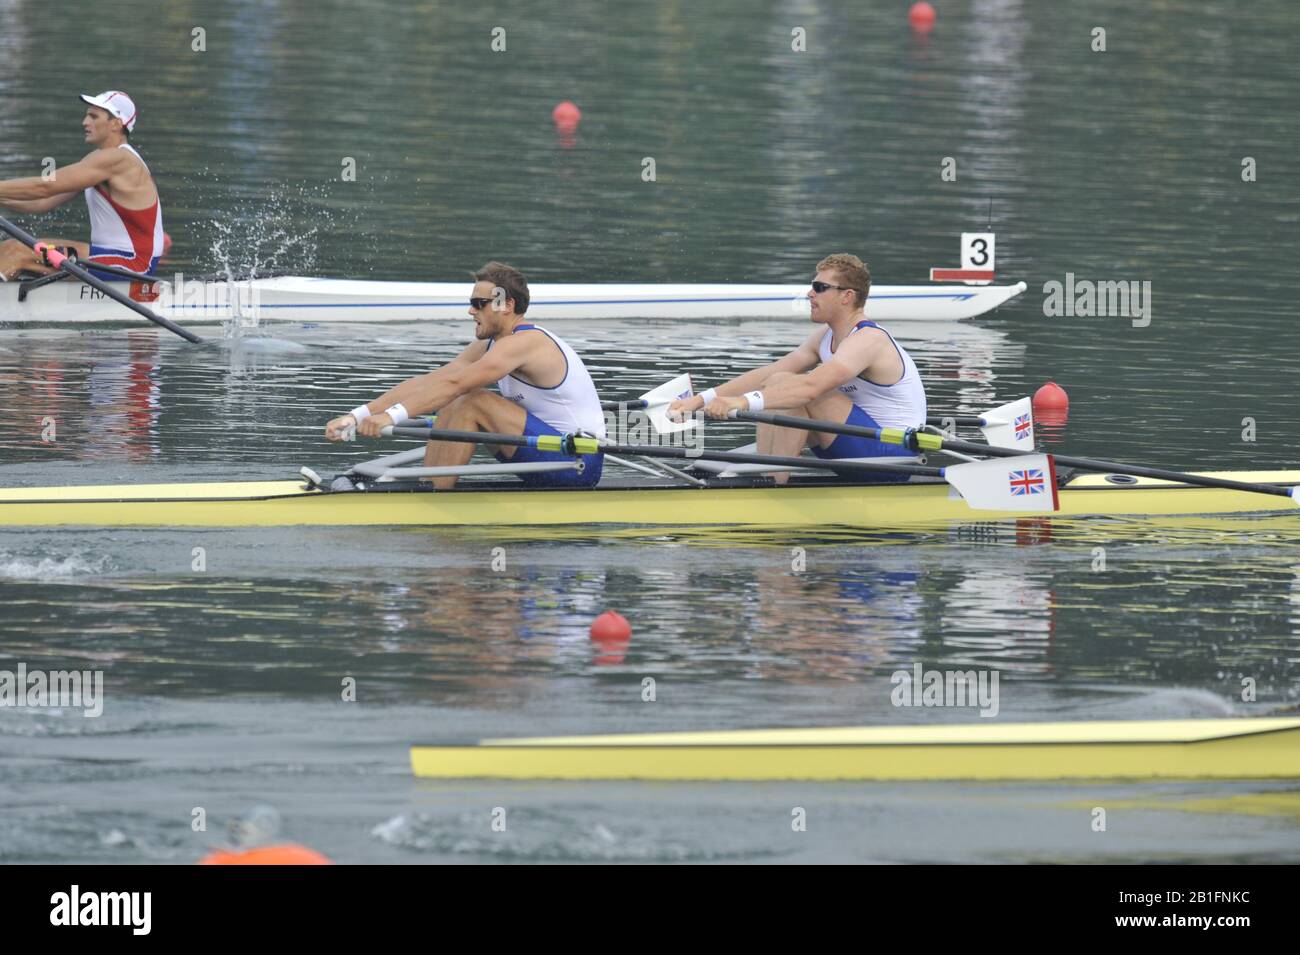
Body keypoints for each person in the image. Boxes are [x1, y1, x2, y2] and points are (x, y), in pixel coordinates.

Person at [324, 261, 605, 488]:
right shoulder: (487, 347)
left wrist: (391, 417)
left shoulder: (527, 342)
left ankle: (431, 497)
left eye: (478, 302)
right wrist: (357, 415)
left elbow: (458, 384)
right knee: (450, 397)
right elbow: (430, 383)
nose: (471, 310)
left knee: (470, 399)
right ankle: (428, 487)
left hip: (577, 463)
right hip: (544, 456)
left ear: (506, 305)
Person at [669, 253, 926, 483]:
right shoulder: (824, 337)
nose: (809, 294)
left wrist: (740, 403)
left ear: (847, 296)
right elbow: (769, 374)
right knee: (779, 379)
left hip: (892, 458)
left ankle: (772, 481)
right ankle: (767, 476)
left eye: (819, 287)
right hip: (854, 451)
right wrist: (700, 400)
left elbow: (811, 388)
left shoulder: (869, 340)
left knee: (798, 387)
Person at [0, 91, 166, 282]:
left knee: (16, 251)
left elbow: (44, 187)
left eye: (94, 116)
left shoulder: (119, 159)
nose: (85, 122)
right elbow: (41, 202)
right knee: (9, 248)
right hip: (107, 256)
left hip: (131, 264)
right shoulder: (97, 160)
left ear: (116, 124)